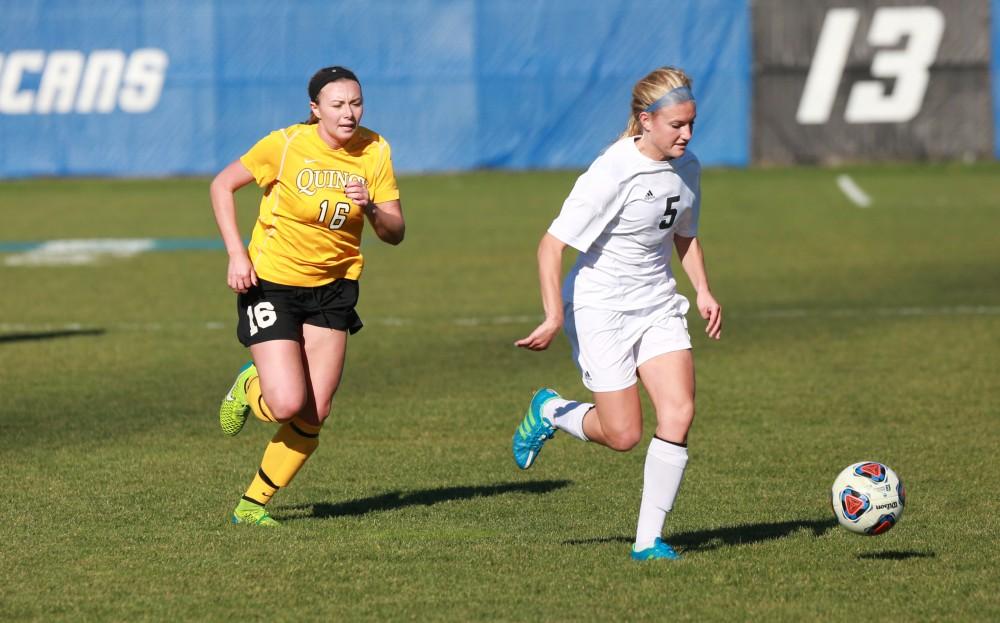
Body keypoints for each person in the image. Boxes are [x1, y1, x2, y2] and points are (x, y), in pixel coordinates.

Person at [512, 66, 722, 560]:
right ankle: (551, 410)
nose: (687, 134)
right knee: (623, 434)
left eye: (692, 123)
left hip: (656, 303)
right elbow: (550, 246)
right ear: (645, 120)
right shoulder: (612, 172)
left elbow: (683, 233)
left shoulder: (687, 165)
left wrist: (705, 292)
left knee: (679, 411)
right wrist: (552, 316)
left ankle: (648, 541)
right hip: (601, 307)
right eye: (677, 125)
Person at [209, 66, 405, 527]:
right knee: (284, 404)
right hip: (271, 283)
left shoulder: (375, 150)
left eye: (356, 103)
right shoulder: (285, 144)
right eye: (337, 105)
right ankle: (248, 385)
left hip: (334, 290)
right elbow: (222, 185)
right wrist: (237, 255)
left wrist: (371, 207)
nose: (349, 113)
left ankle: (251, 505)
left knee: (315, 411)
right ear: (315, 109)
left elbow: (395, 232)